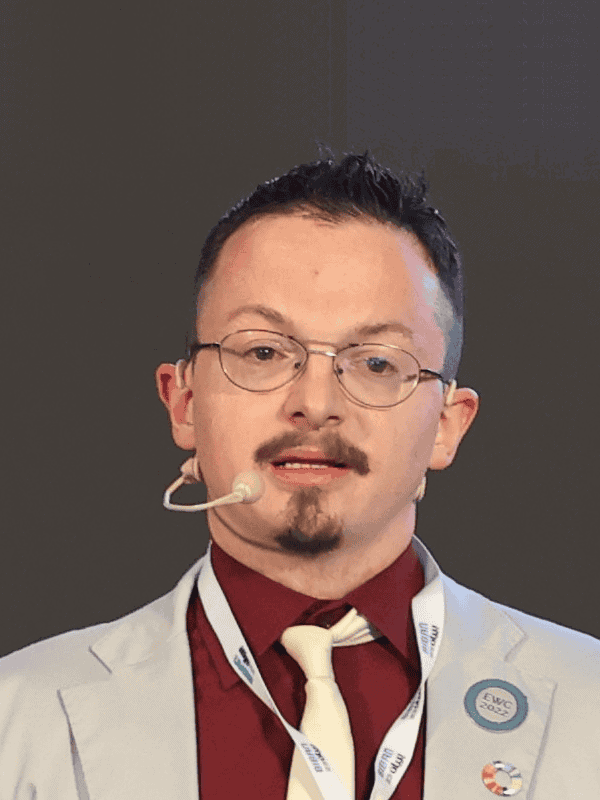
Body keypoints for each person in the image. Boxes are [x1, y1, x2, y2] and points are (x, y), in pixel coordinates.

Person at [0, 151, 598, 800]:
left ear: (449, 424)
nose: (315, 403)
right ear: (185, 402)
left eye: (375, 363)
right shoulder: (20, 717)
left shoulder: (586, 704)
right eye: (262, 351)